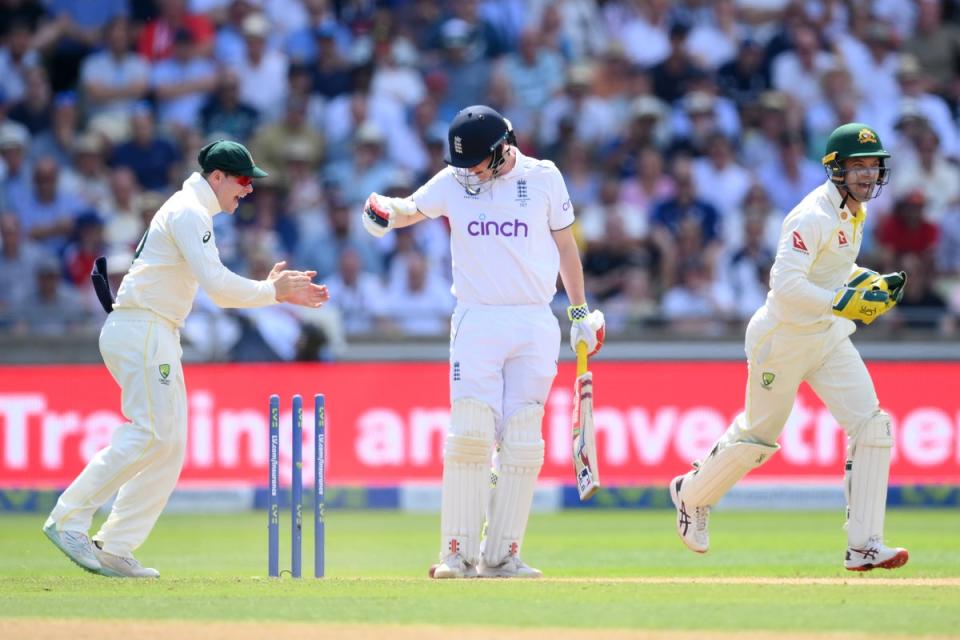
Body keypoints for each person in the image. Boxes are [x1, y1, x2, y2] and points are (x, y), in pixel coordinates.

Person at [42, 140, 329, 578]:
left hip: (154, 331)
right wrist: (274, 291)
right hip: (143, 328)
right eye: (243, 181)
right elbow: (216, 286)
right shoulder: (189, 212)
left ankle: (116, 545)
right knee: (150, 432)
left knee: (169, 443)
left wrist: (270, 289)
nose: (248, 190)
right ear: (217, 177)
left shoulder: (191, 211)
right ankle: (68, 518)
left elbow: (217, 285)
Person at [361, 105, 604, 579]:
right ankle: (455, 553)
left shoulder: (544, 177)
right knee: (471, 434)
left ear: (502, 148)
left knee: (523, 440)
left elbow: (565, 246)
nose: (468, 172)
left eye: (476, 162)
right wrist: (386, 210)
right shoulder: (455, 181)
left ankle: (503, 555)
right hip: (477, 319)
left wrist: (579, 312)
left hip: (535, 320)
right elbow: (414, 207)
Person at [669, 123, 910, 572]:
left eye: (873, 166)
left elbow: (834, 267)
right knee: (758, 439)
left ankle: (863, 545)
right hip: (782, 338)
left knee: (872, 427)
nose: (867, 175)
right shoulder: (811, 215)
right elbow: (784, 286)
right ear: (835, 169)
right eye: (857, 167)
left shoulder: (854, 212)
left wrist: (867, 282)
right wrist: (843, 301)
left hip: (828, 335)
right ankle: (691, 493)